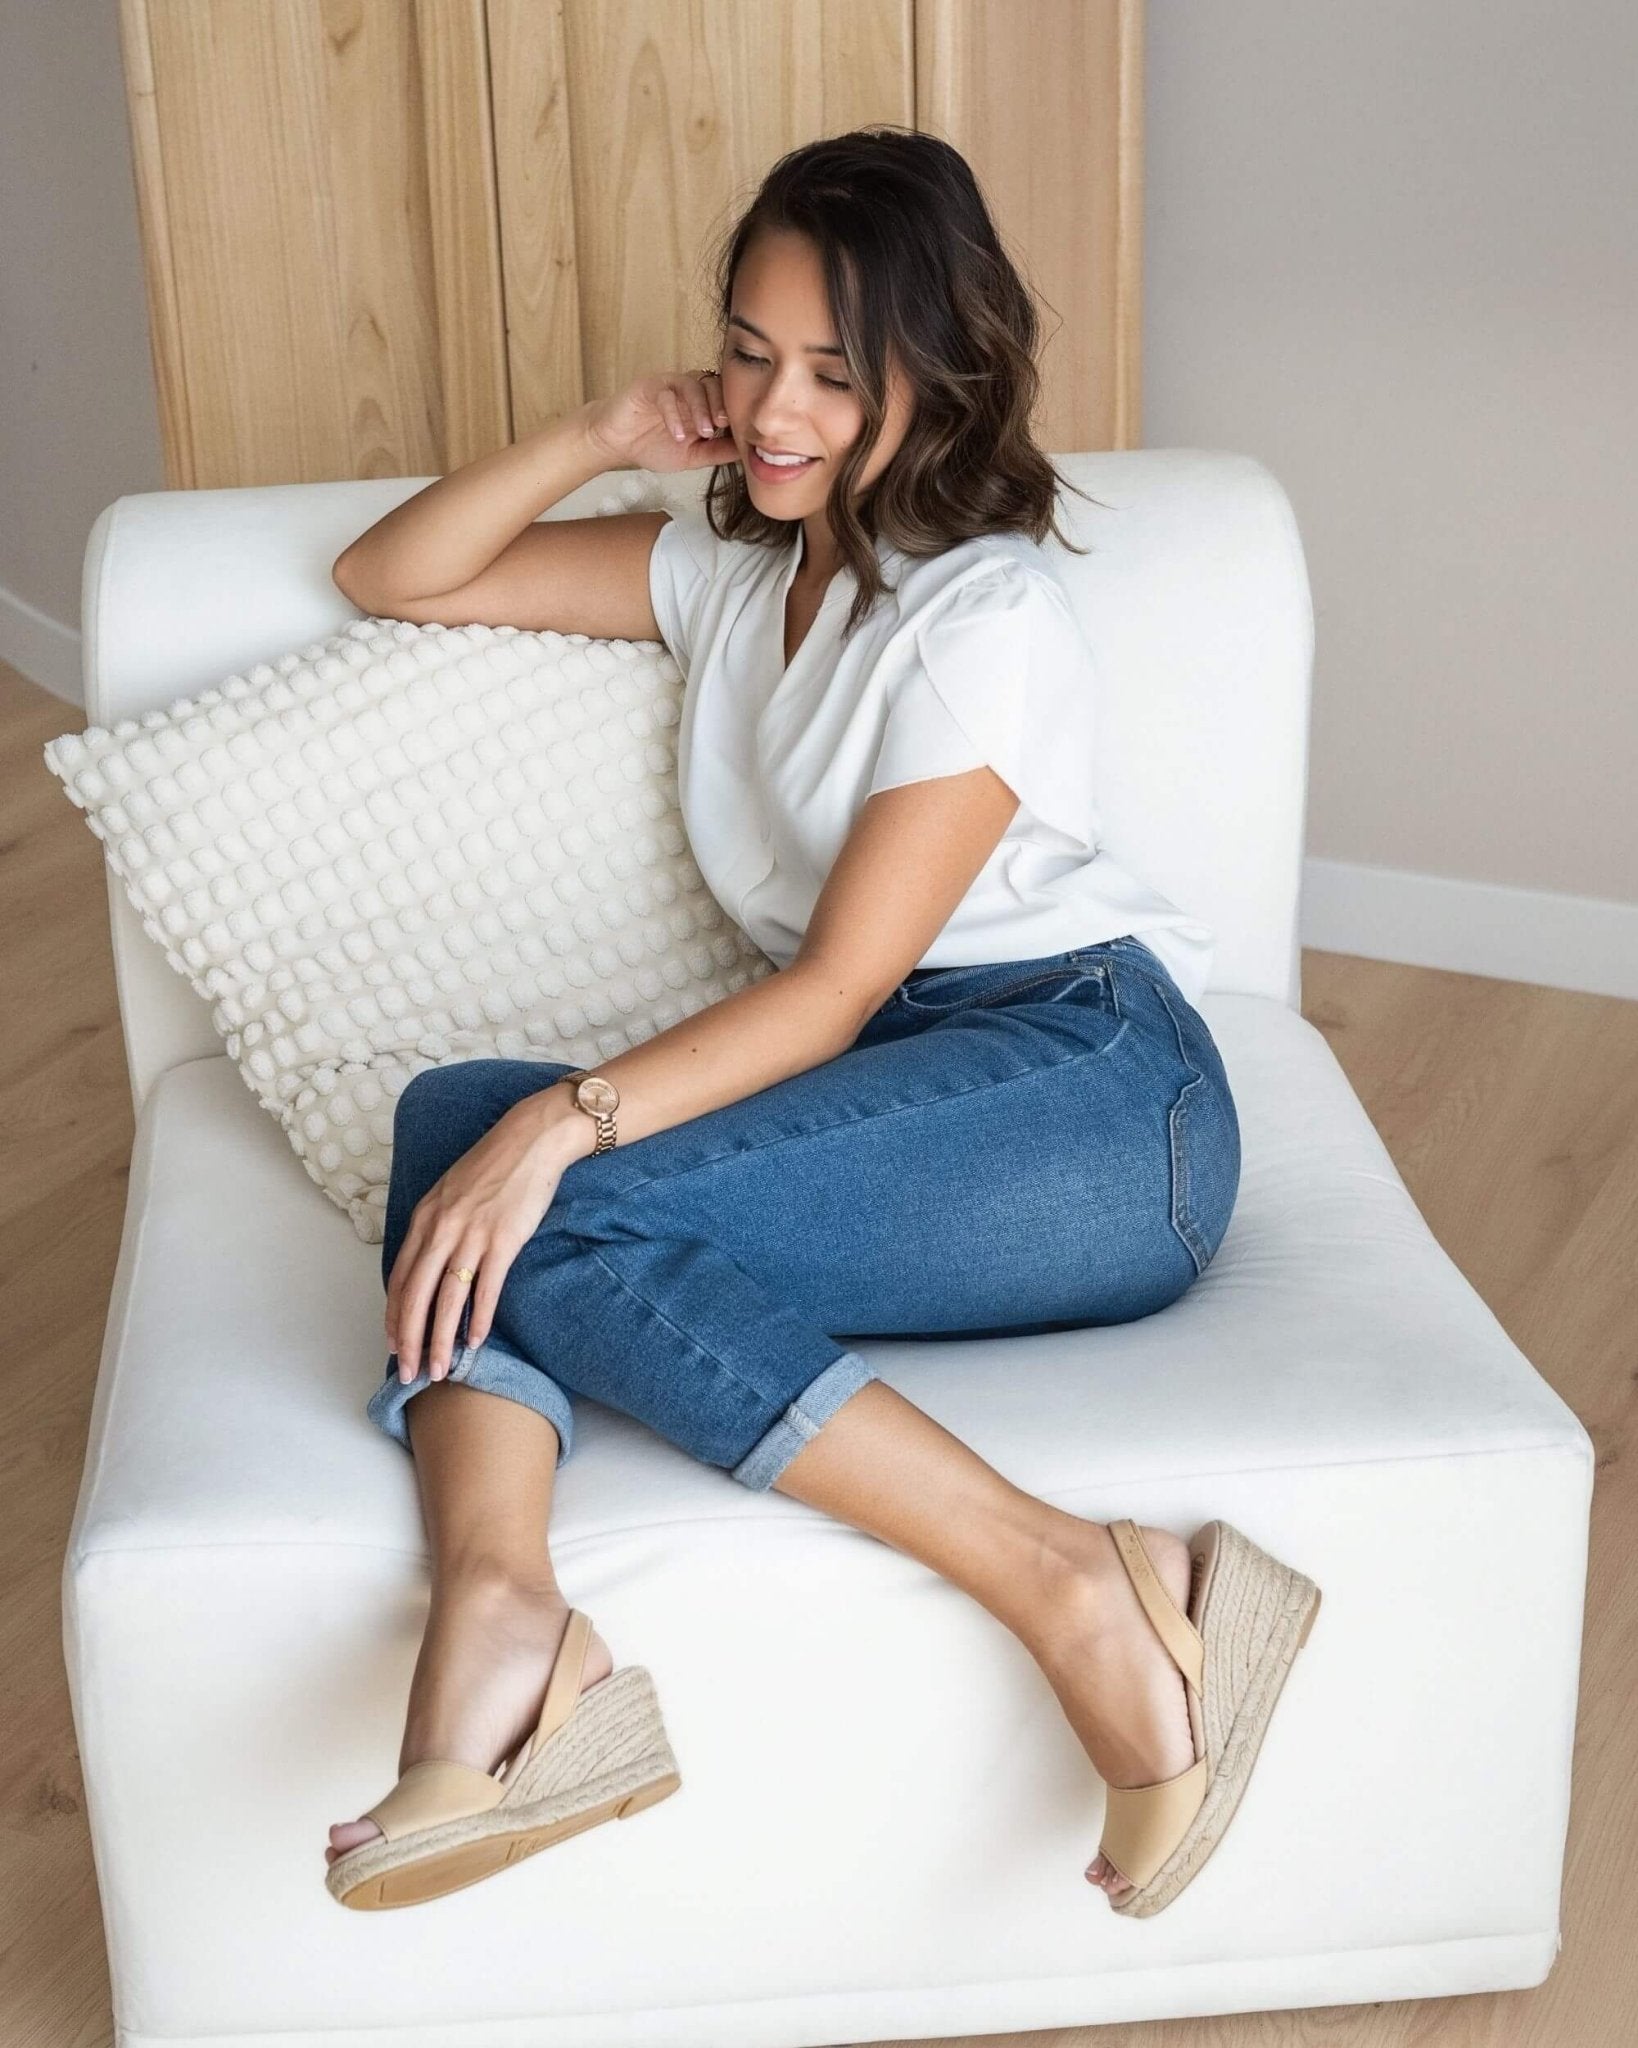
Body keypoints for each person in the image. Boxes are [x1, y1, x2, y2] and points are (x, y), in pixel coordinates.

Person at [322, 127, 1318, 1918]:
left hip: (1093, 1092)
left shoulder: (980, 614)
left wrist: (571, 1121)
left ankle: (1080, 1586)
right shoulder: (727, 578)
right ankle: (508, 1621)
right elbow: (394, 578)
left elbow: (840, 988)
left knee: (550, 1170)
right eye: (748, 348)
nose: (773, 408)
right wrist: (600, 439)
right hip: (907, 1081)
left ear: (935, 378)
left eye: (834, 372)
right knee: (450, 1113)